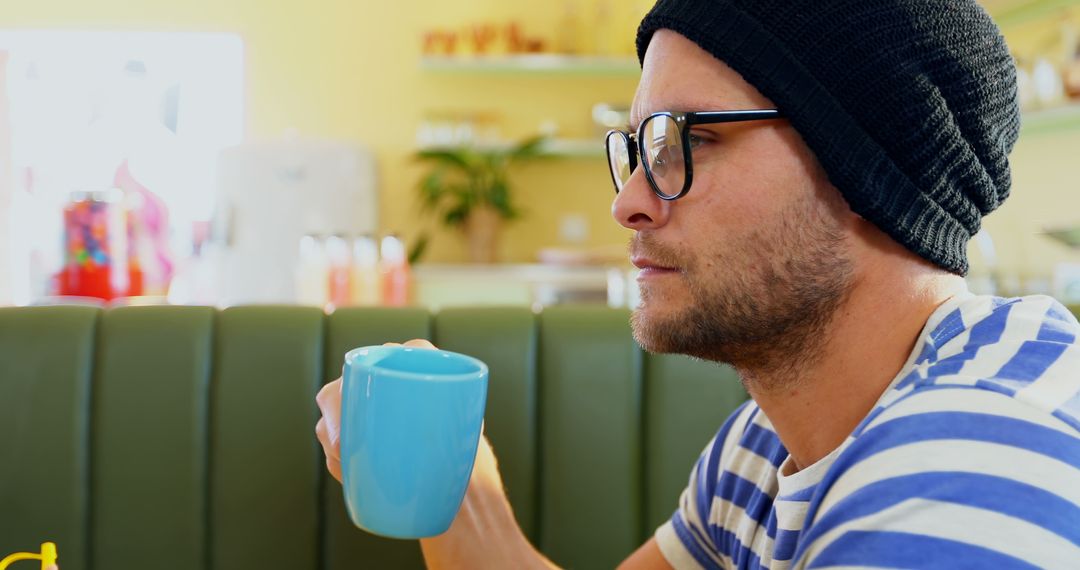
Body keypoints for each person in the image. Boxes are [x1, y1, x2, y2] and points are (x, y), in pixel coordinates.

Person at [316, 0, 1080, 567]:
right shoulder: (771, 439)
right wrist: (454, 491)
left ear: (868, 172)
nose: (628, 203)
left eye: (692, 140)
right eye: (638, 147)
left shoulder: (963, 481)